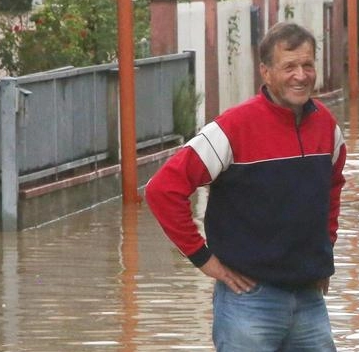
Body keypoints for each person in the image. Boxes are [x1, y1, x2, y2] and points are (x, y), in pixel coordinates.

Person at [146, 21, 346, 352]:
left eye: (307, 65)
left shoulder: (327, 127)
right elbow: (162, 190)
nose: (301, 75)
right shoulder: (231, 128)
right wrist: (205, 261)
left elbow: (333, 190)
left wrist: (324, 250)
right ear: (265, 72)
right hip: (248, 300)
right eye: (289, 66)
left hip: (311, 299)